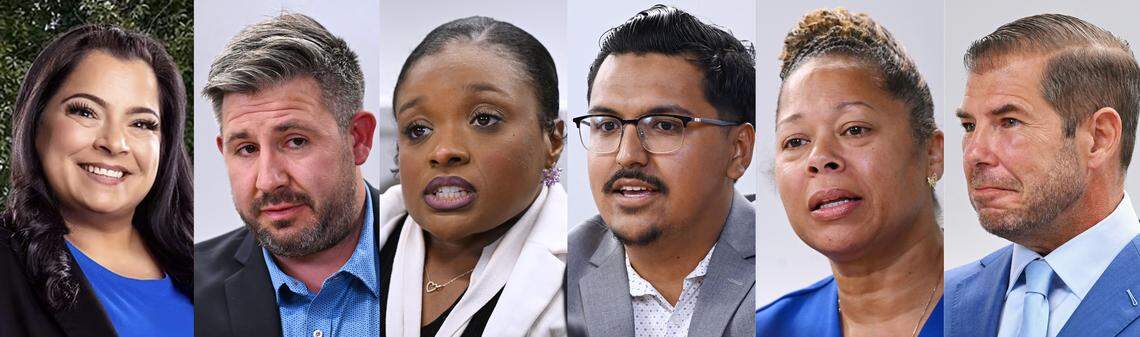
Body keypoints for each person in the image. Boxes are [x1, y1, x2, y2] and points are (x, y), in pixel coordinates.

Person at [565, 5, 756, 337]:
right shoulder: (556, 273)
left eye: (664, 126)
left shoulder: (783, 275)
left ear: (738, 150)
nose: (627, 156)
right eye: (608, 125)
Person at [947, 13, 1140, 337]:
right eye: (969, 126)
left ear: (1099, 137)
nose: (974, 153)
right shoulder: (946, 299)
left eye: (1009, 121)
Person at [755, 8, 945, 337]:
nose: (820, 158)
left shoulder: (1011, 312)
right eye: (796, 140)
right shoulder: (765, 329)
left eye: (854, 129)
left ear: (932, 152)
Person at [193, 12, 380, 337]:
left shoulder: (445, 267)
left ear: (358, 139)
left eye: (295, 141)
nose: (268, 180)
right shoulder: (182, 288)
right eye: (247, 149)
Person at [379, 16, 567, 336]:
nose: (443, 151)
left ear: (553, 141)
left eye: (483, 119)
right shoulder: (362, 239)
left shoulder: (590, 278)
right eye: (418, 129)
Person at [0, 25, 193, 337]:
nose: (114, 142)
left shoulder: (208, 264)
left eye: (142, 123)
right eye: (86, 112)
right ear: (35, 122)